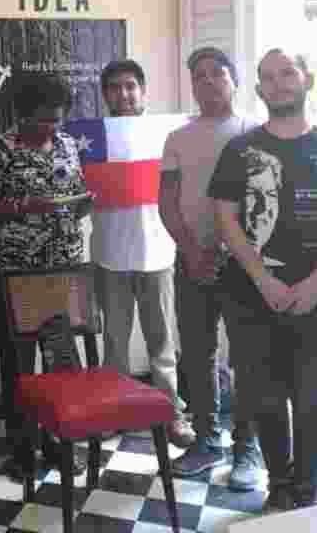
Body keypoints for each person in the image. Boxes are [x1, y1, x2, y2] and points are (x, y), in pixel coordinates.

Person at [208, 48, 317, 513]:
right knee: (264, 394)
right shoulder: (239, 150)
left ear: (307, 80)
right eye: (267, 77)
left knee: (310, 393)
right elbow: (226, 221)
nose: (277, 83)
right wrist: (264, 280)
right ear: (259, 89)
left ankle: (310, 484)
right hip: (250, 294)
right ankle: (279, 483)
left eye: (287, 73)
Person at [0, 73, 94, 481]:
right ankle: (22, 448)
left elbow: (76, 190)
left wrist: (82, 203)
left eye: (57, 120)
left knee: (62, 359)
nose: (52, 128)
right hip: (16, 271)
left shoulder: (66, 144)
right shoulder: (0, 148)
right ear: (23, 114)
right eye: (43, 120)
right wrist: (30, 205)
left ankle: (64, 443)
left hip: (63, 268)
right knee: (20, 365)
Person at [158, 47, 261, 489]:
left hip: (244, 265)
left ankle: (248, 450)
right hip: (192, 261)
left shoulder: (257, 131)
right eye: (198, 76)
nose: (208, 83)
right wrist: (192, 249)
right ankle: (206, 440)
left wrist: (234, 248)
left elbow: (265, 202)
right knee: (198, 356)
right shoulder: (178, 137)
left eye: (217, 74)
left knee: (247, 357)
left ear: (234, 80)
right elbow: (167, 200)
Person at [92, 59, 194, 448]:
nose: (124, 93)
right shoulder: (95, 138)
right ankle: (113, 412)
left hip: (158, 253)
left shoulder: (166, 133)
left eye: (131, 86)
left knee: (163, 342)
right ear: (105, 94)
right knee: (115, 344)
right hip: (110, 255)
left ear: (144, 90)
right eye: (115, 87)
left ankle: (173, 414)